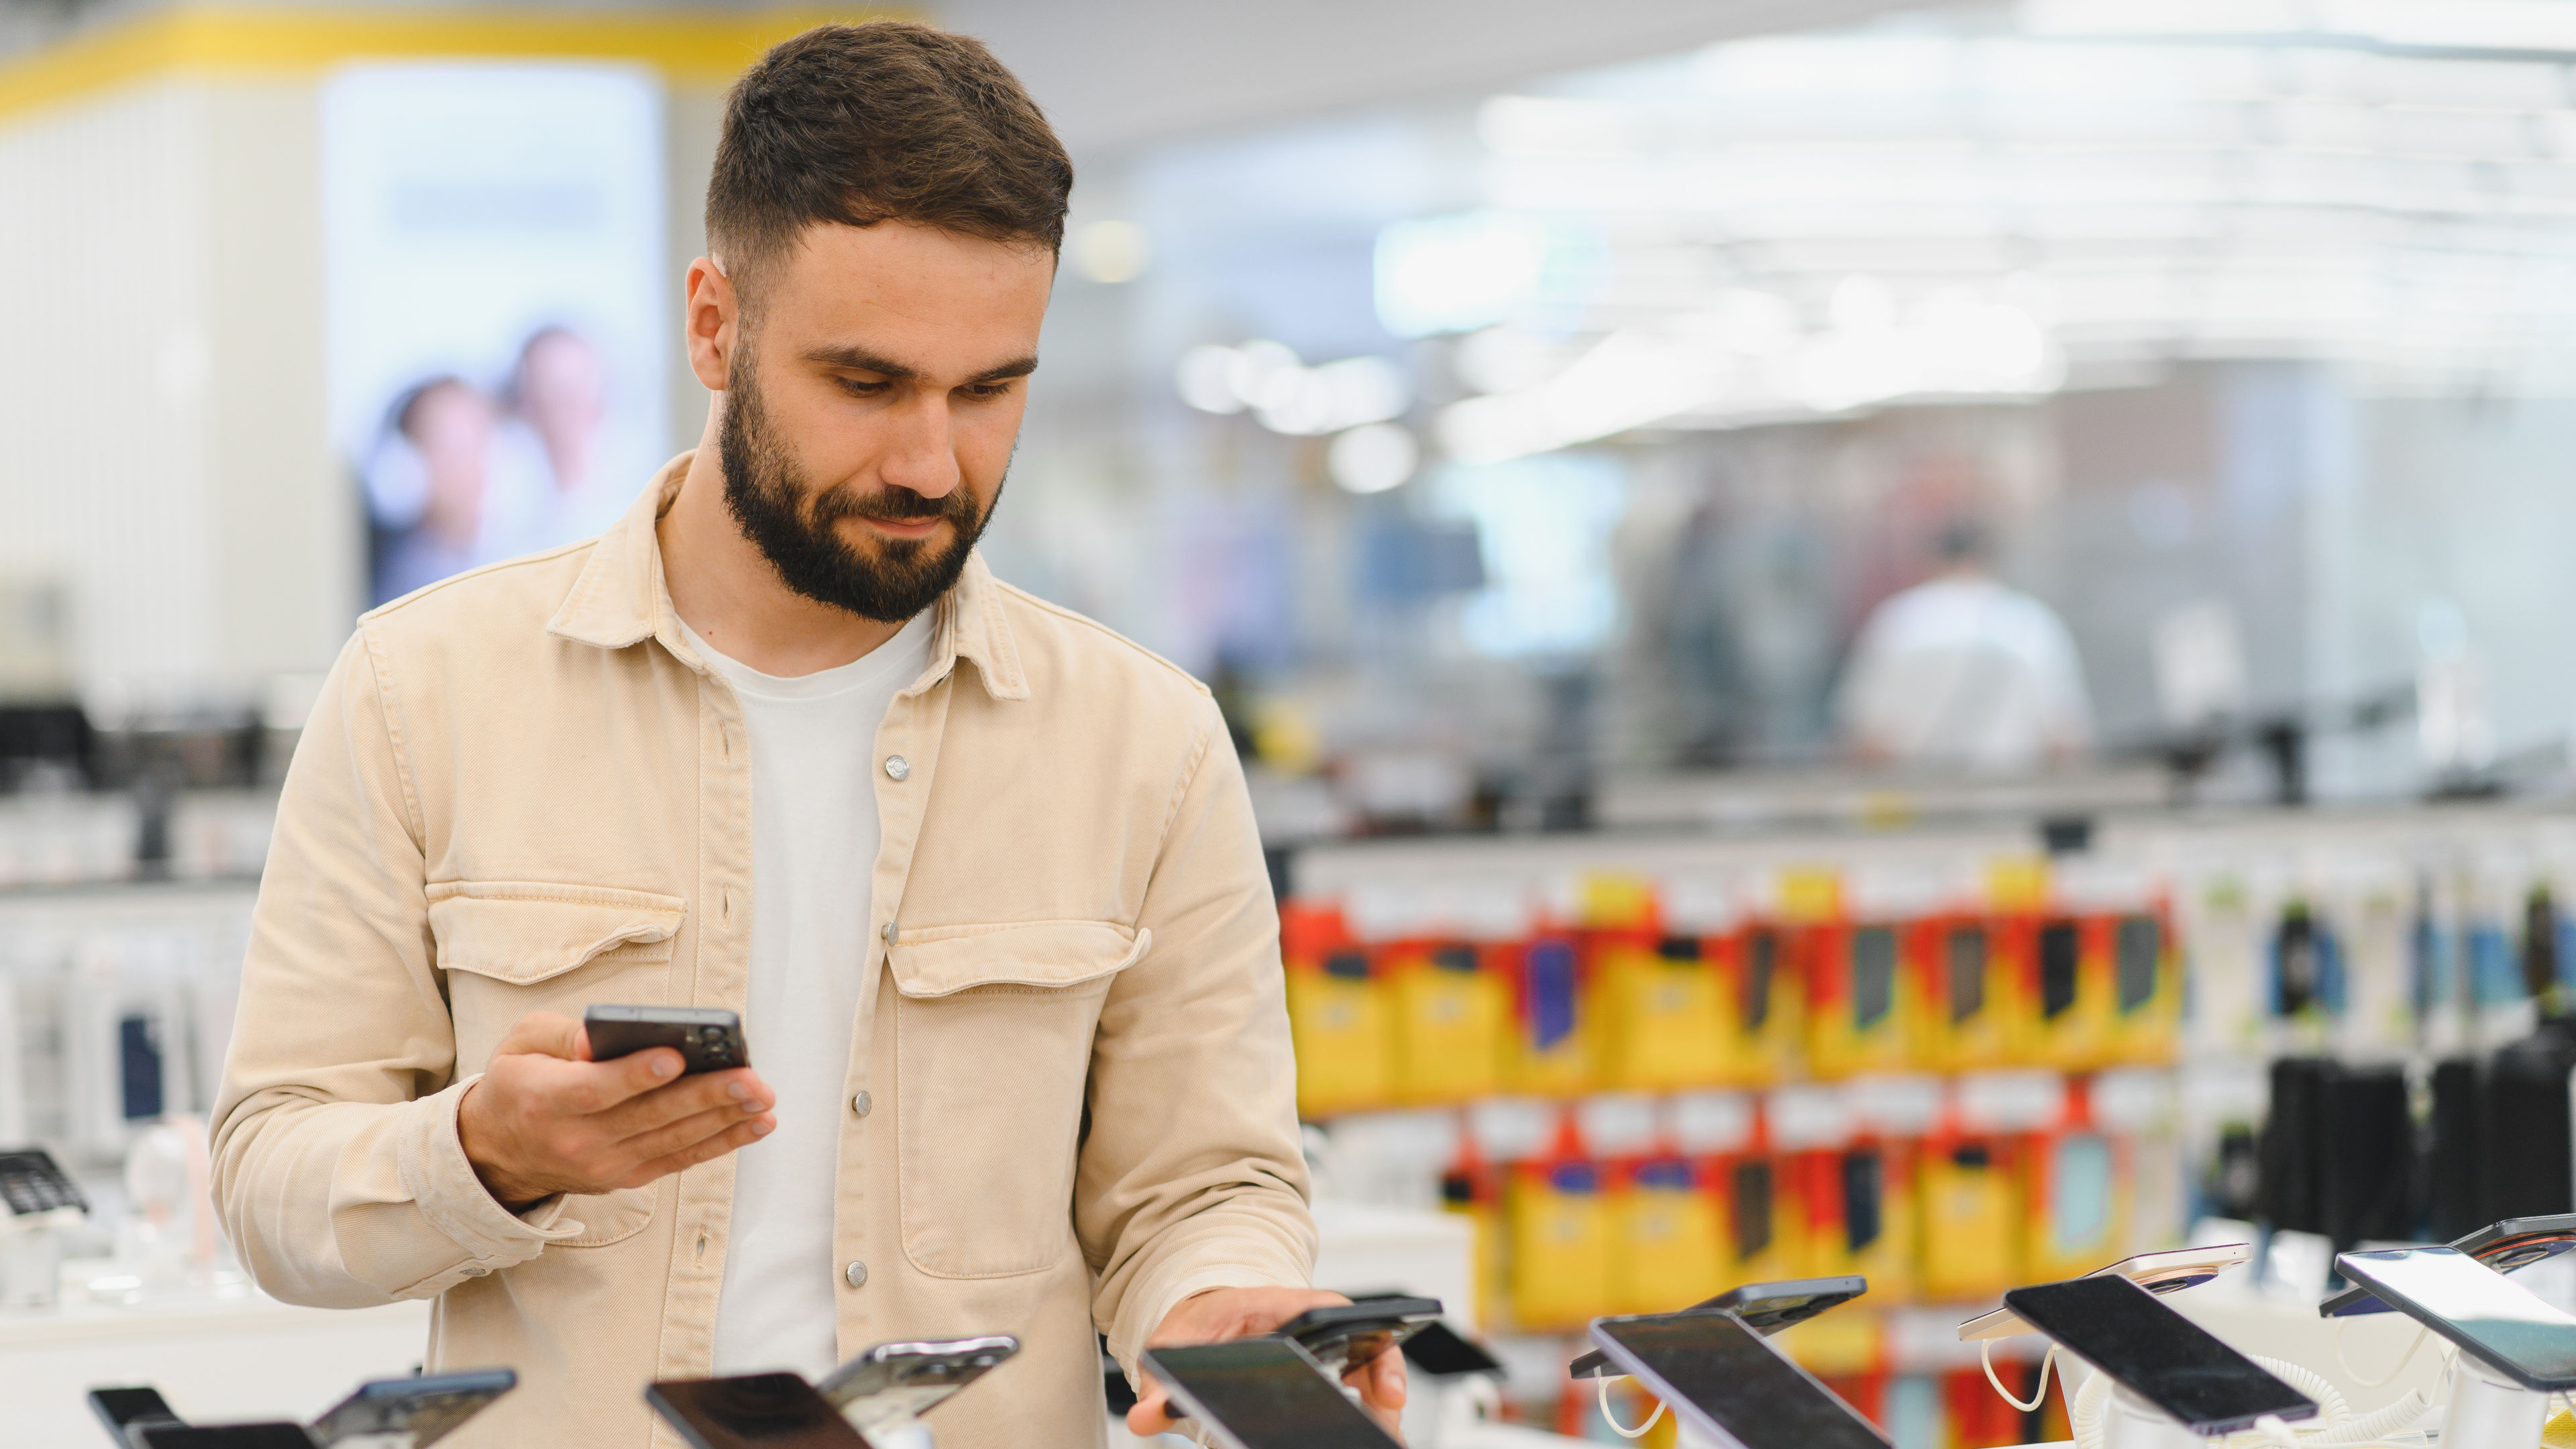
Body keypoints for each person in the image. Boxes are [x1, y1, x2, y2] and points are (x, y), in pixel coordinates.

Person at [211, 23, 1394, 1447]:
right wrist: (484, 1152)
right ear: (714, 324)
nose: (929, 463)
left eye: (987, 391)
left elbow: (1202, 1187)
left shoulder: (1150, 742)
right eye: (867, 383)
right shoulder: (423, 691)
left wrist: (1222, 1310)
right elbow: (274, 1182)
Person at [1835, 518, 2093, 773]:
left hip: (1915, 802)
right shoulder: (2033, 624)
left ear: (1930, 561)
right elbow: (2064, 739)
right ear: (1990, 559)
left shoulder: (1897, 621)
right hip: (2012, 799)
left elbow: (1865, 738)